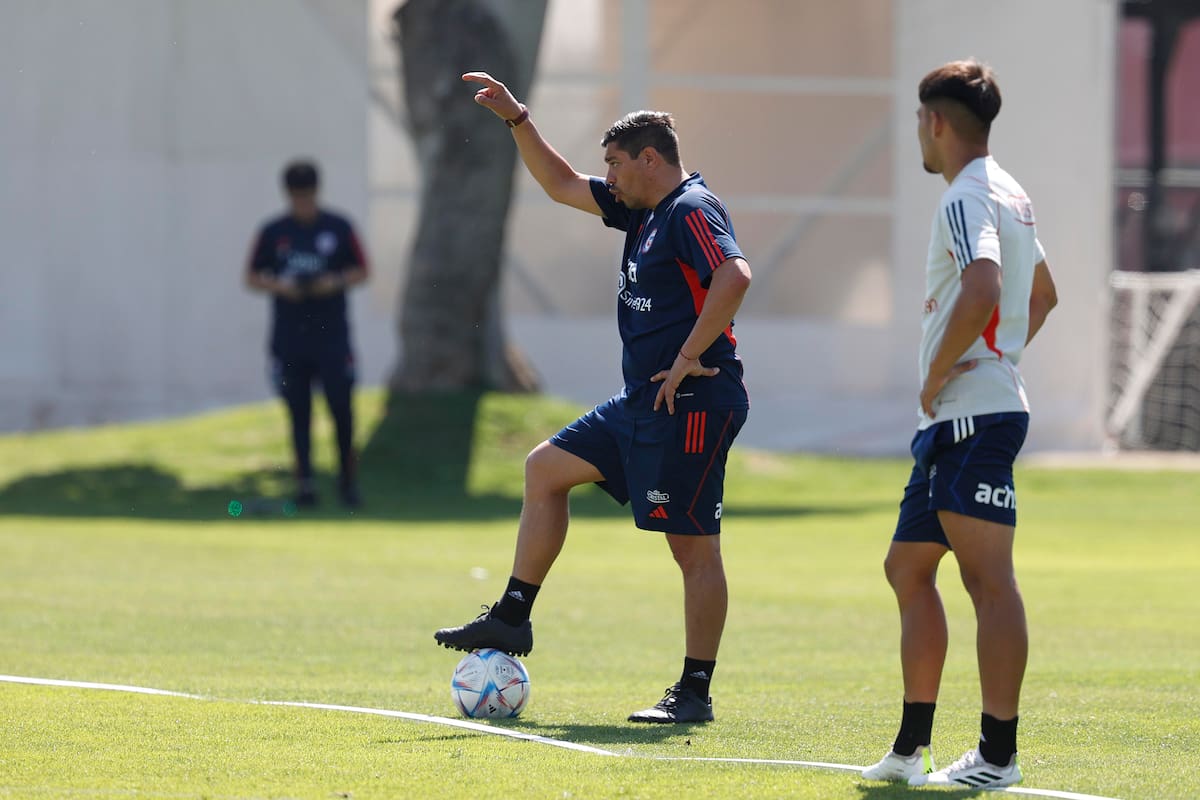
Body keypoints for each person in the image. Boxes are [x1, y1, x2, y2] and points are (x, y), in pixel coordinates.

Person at [434, 72, 752, 724]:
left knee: (693, 550)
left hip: (694, 402)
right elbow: (558, 185)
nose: (606, 174)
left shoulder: (690, 209)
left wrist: (688, 357)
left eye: (614, 162)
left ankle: (694, 694)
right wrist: (517, 118)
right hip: (646, 399)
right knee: (545, 468)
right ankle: (513, 617)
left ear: (650, 159)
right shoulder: (642, 208)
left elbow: (735, 274)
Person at [861, 60, 1058, 788]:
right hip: (962, 417)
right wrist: (996, 361)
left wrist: (947, 370)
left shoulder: (965, 197)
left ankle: (998, 757)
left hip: (974, 416)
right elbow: (1044, 295)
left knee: (988, 581)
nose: (919, 132)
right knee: (908, 567)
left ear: (936, 123)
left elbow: (985, 286)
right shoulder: (1011, 192)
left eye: (920, 120)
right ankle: (911, 751)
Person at [245, 159, 370, 509]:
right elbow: (252, 276)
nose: (302, 203)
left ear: (317, 192)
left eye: (307, 195)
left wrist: (333, 282)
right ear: (288, 195)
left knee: (342, 412)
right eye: (296, 196)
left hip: (332, 339)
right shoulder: (273, 231)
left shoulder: (339, 226)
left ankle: (348, 485)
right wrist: (281, 286)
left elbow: (363, 270)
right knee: (298, 414)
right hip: (289, 340)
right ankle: (305, 487)